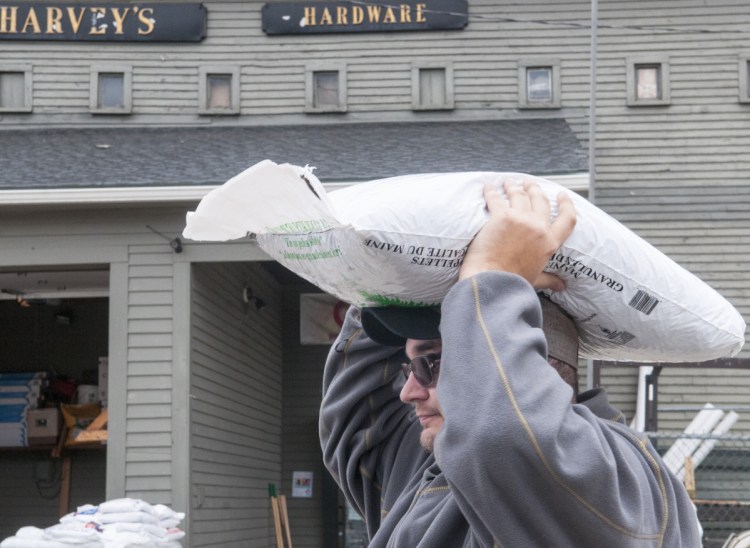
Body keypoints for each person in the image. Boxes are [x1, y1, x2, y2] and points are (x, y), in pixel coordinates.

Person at [319, 180, 702, 547]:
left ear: (536, 363)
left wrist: (493, 275)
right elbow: (357, 418)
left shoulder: (621, 480)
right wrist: (397, 274)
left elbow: (506, 434)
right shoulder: (428, 469)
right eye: (409, 368)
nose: (407, 391)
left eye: (429, 365)